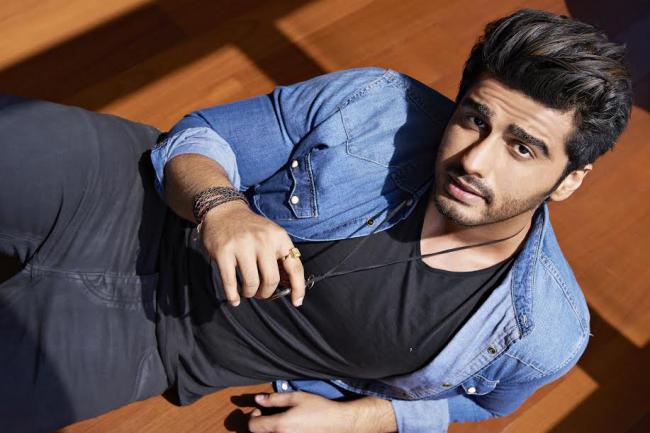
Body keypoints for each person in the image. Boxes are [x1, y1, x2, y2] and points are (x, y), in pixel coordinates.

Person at [0, 8, 632, 433]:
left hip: (162, 345)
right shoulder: (377, 104)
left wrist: (361, 419)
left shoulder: (543, 333)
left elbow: (483, 404)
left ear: (570, 179)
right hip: (122, 193)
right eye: (474, 119)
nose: (474, 160)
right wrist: (222, 206)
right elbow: (203, 136)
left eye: (523, 148)